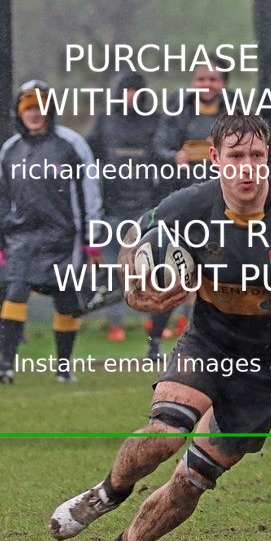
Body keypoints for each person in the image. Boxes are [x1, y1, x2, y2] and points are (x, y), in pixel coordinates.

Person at [49, 111, 271, 541]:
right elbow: (134, 240)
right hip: (209, 342)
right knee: (165, 434)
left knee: (193, 479)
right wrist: (135, 289)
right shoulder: (192, 205)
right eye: (236, 156)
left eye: (256, 155)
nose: (247, 168)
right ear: (215, 159)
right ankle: (106, 493)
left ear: (267, 156)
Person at [0, 80, 105, 383]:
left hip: (63, 238)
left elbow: (88, 190)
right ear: (19, 112)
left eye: (39, 107)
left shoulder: (70, 144)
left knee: (66, 302)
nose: (33, 113)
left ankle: (63, 367)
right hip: (22, 238)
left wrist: (91, 238)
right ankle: (5, 366)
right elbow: (1, 196)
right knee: (14, 294)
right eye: (27, 108)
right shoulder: (10, 149)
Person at [146, 58, 233, 358]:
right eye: (200, 79)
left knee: (218, 276)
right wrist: (174, 157)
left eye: (212, 79)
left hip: (223, 206)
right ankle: (154, 341)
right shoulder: (177, 110)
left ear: (223, 83)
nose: (205, 85)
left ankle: (213, 342)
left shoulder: (235, 112)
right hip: (185, 205)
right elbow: (156, 147)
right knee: (173, 273)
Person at [87, 68, 160, 342]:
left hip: (146, 206)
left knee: (150, 265)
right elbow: (88, 155)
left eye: (136, 90)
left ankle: (154, 320)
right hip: (113, 208)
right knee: (114, 268)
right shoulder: (105, 121)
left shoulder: (154, 121)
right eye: (127, 90)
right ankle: (115, 321)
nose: (131, 96)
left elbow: (161, 158)